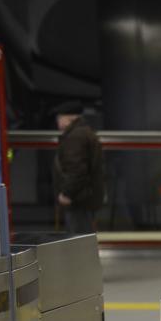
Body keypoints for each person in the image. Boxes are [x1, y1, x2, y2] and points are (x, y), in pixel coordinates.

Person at [52, 101, 105, 236]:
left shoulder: (75, 137)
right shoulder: (85, 133)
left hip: (78, 199)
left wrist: (67, 193)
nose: (57, 122)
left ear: (69, 118)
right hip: (86, 197)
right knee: (84, 238)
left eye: (59, 118)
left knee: (78, 240)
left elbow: (77, 170)